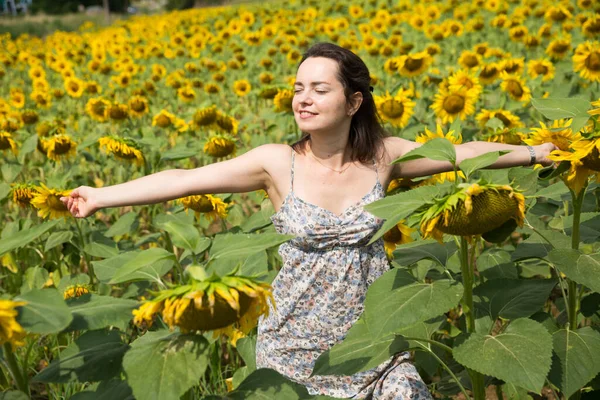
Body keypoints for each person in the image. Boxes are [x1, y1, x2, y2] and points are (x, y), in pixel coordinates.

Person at [60, 42, 557, 399]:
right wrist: (101, 195)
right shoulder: (278, 162)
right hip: (292, 344)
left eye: (319, 89)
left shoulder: (384, 157)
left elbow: (462, 153)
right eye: (299, 88)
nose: (303, 98)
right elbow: (188, 178)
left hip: (374, 343)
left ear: (354, 101)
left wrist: (536, 152)